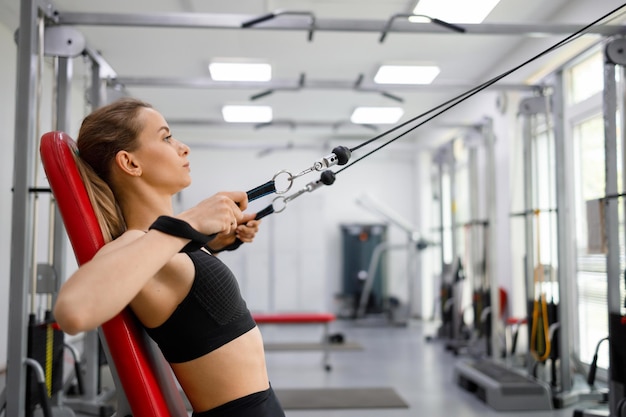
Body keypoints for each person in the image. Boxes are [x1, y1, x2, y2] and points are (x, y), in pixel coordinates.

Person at [53, 97, 286, 417]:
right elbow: (73, 312)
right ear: (130, 163)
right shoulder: (138, 241)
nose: (183, 147)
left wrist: (217, 241)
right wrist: (189, 224)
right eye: (166, 137)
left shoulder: (158, 245)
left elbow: (185, 284)